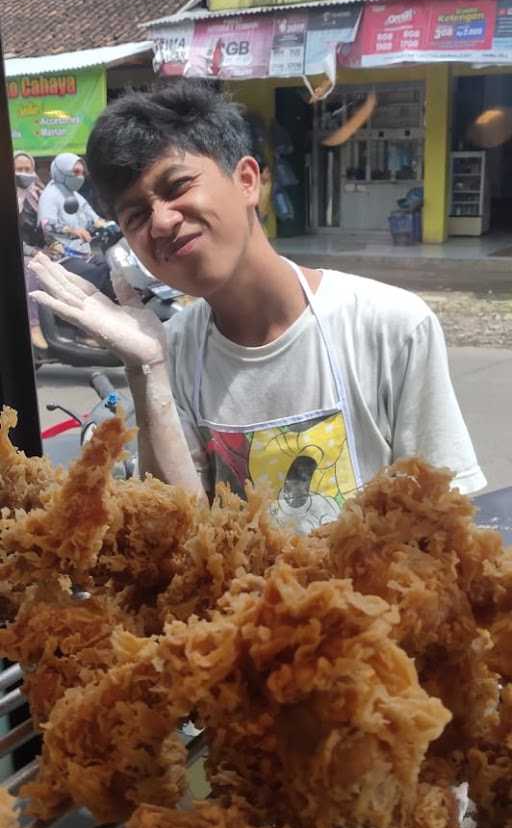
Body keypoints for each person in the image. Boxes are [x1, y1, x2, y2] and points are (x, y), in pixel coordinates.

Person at [30, 81, 485, 531]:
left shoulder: (391, 326)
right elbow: (183, 538)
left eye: (177, 186)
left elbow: (443, 527)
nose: (162, 221)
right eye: (136, 216)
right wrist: (146, 367)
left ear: (247, 181)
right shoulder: (176, 348)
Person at [38, 152, 114, 299]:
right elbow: (46, 224)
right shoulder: (50, 195)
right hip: (62, 257)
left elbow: (94, 218)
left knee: (114, 267)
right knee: (98, 274)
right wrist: (73, 231)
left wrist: (111, 225)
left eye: (82, 173)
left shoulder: (75, 195)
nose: (80, 177)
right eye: (75, 172)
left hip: (85, 254)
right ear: (61, 171)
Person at [14, 151, 54, 351]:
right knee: (29, 270)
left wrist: (53, 244)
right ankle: (33, 325)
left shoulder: (40, 193)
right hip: (20, 253)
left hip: (40, 250)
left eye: (27, 169)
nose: (23, 173)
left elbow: (49, 224)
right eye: (19, 170)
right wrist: (32, 251)